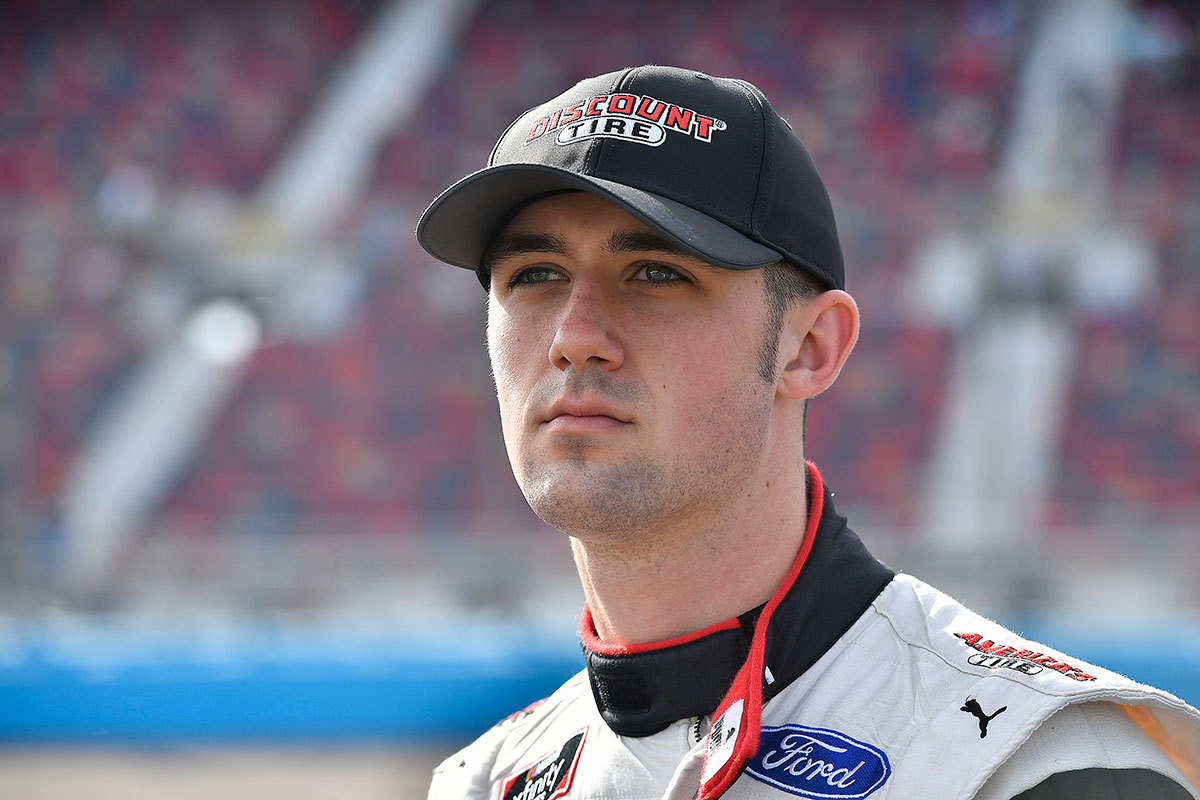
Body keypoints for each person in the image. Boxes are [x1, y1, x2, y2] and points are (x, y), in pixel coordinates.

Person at [415, 65, 1200, 800]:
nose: (574, 336)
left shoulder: (1036, 762)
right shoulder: (482, 781)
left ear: (810, 348)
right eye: (535, 275)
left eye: (656, 272)